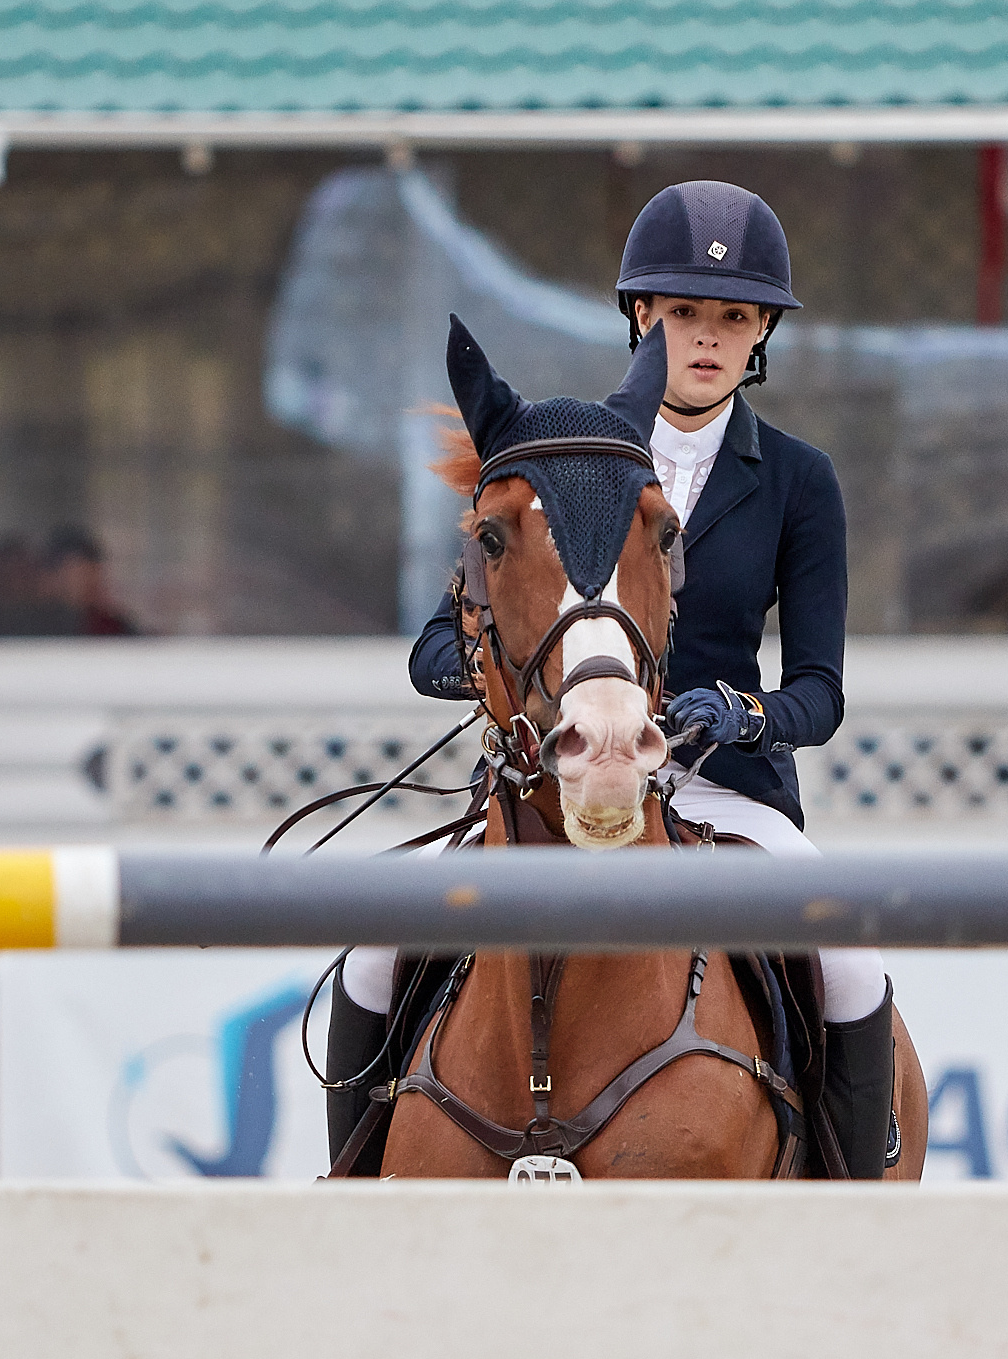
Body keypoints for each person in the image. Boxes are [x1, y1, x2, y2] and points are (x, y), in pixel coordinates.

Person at [327, 180, 895, 1181]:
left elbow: (819, 691)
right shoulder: (562, 454)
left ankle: (851, 1195)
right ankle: (354, 1181)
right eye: (684, 313)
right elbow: (435, 646)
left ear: (761, 330)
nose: (707, 338)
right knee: (374, 945)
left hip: (720, 790)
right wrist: (516, 682)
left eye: (733, 317)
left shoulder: (797, 480)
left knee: (850, 959)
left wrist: (740, 716)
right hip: (547, 777)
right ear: (641, 317)